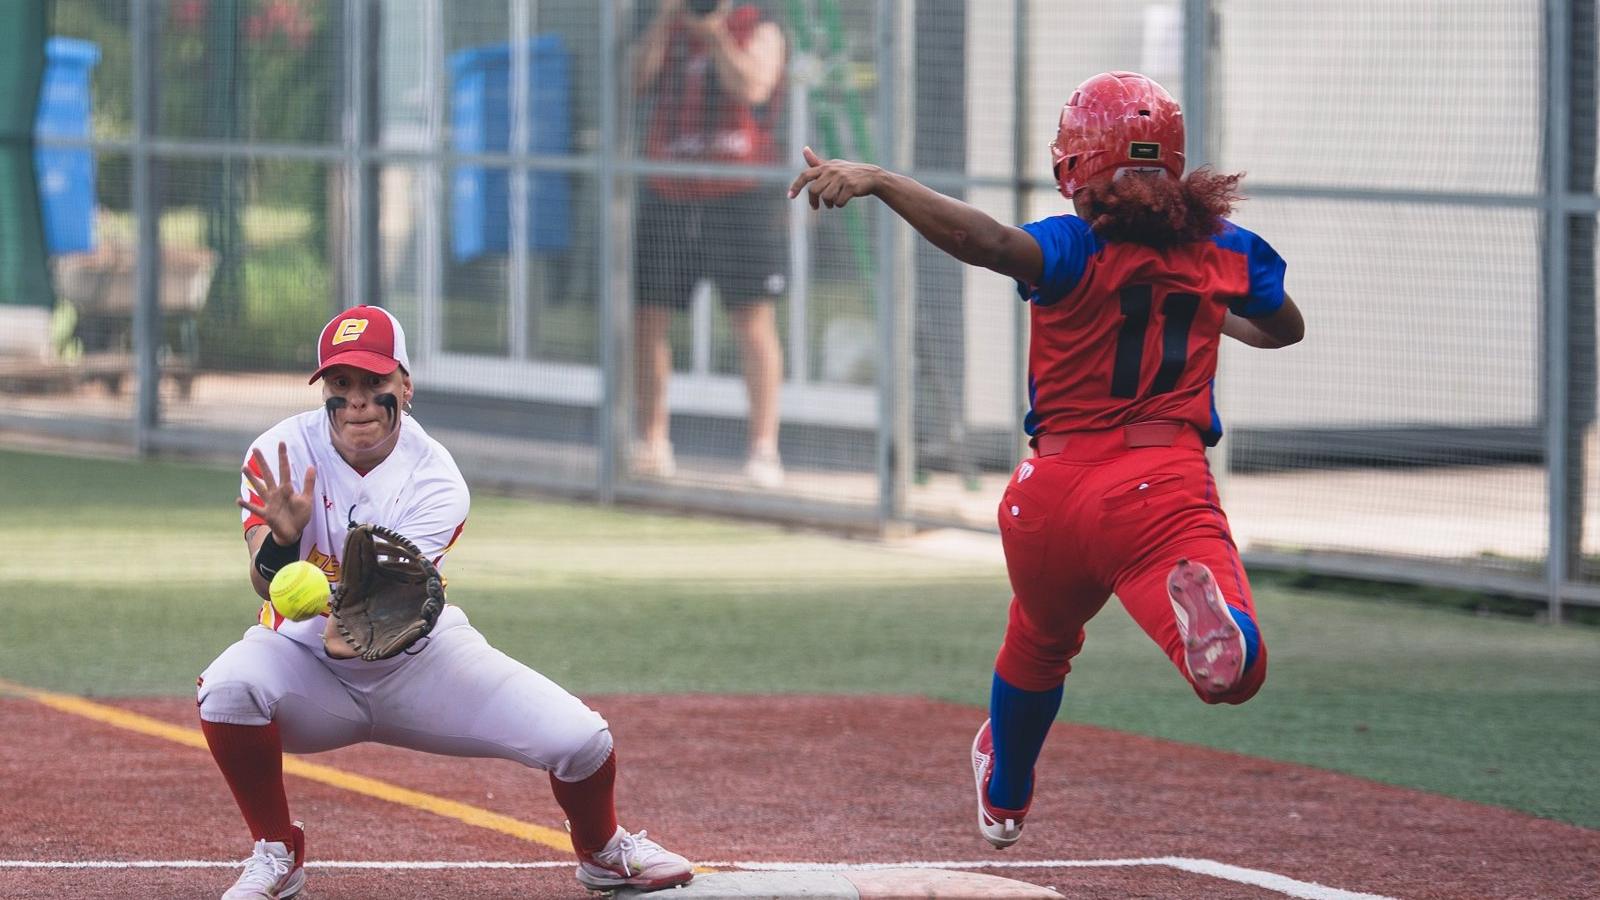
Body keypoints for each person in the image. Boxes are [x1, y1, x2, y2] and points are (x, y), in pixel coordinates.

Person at [790, 71, 1305, 849]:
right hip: (1156, 485)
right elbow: (1282, 330)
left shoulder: (1071, 244)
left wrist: (882, 180)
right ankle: (1216, 635)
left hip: (1048, 495)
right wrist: (1203, 302)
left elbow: (987, 241)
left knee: (1039, 639)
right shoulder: (1227, 250)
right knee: (1239, 673)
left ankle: (1005, 796)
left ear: (1073, 163)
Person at [198, 305, 694, 898]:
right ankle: (278, 853)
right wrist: (281, 541)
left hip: (418, 659)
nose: (356, 401)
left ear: (405, 387)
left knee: (583, 742)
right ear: (323, 389)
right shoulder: (279, 452)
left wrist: (322, 601)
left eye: (374, 383)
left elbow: (377, 614)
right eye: (340, 384)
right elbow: (263, 580)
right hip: (304, 664)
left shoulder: (435, 478)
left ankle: (603, 852)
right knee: (228, 688)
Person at [630, 0, 788, 488]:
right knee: (648, 319)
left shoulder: (759, 22)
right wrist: (665, 18)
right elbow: (631, 85)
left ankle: (764, 450)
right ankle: (653, 443)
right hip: (669, 189)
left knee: (752, 320)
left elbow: (754, 85)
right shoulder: (663, 21)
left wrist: (715, 31)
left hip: (738, 191)